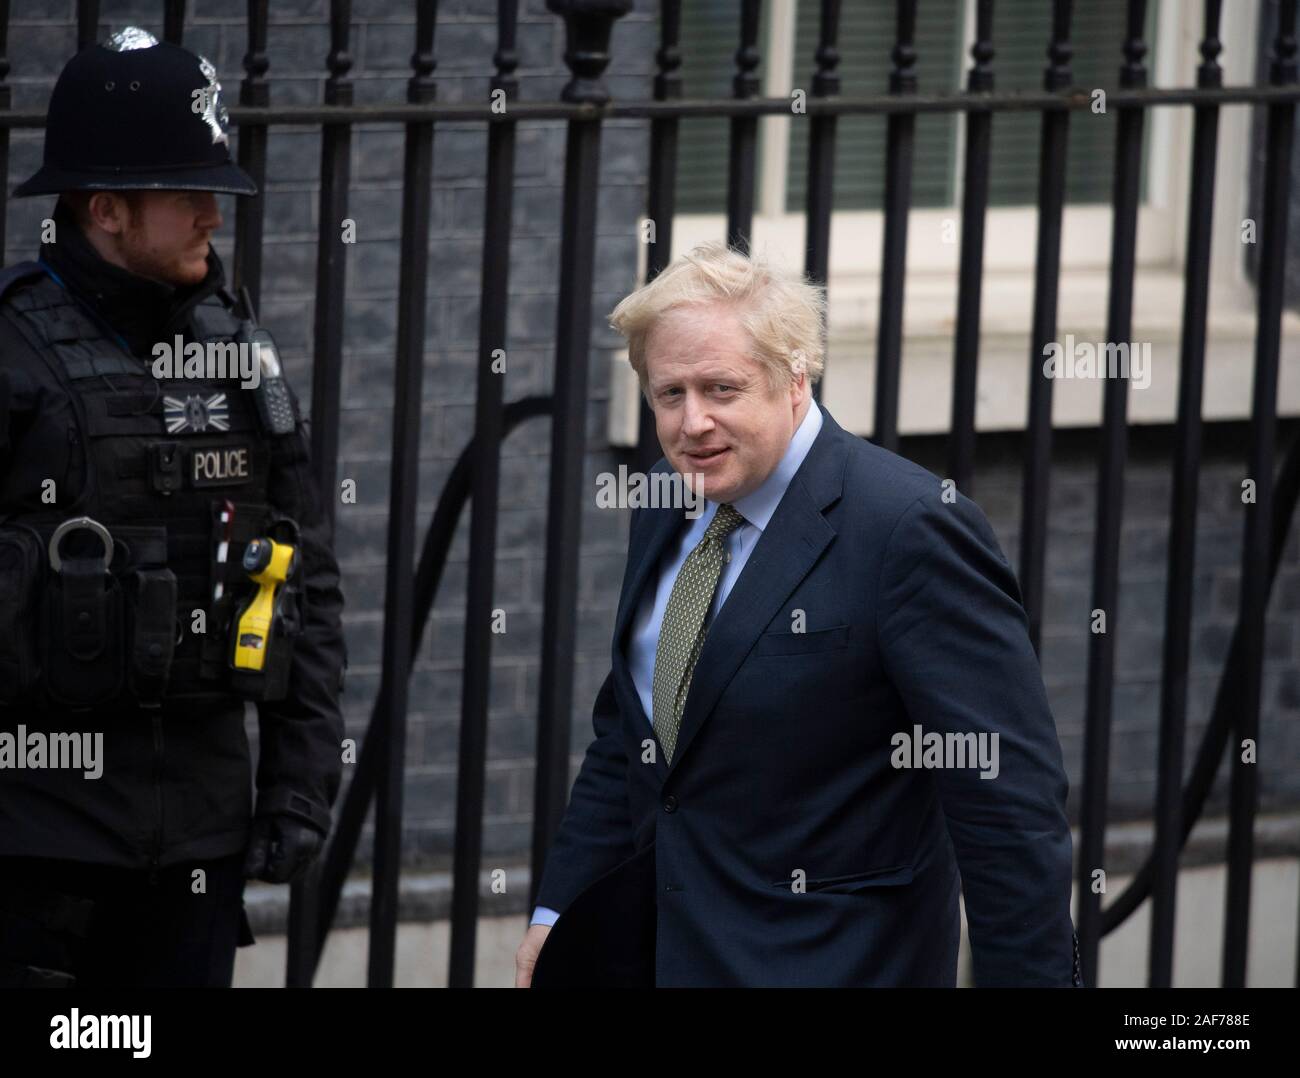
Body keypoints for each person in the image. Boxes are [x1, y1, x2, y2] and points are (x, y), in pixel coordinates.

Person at [517, 242, 1081, 988]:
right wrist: (555, 916)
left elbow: (1006, 806)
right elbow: (632, 735)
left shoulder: (906, 528)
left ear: (794, 377)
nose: (693, 423)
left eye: (721, 388)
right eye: (669, 394)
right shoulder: (667, 497)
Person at [0, 27, 345, 988]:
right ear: (105, 208)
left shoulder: (241, 357)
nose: (213, 217)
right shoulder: (13, 356)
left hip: (196, 847)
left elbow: (304, 578)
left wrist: (301, 783)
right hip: (35, 850)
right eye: (188, 194)